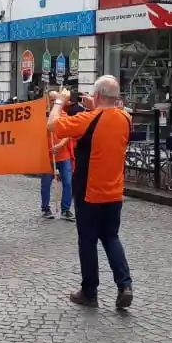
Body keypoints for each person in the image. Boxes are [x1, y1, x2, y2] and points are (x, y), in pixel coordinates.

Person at [48, 76, 133, 309]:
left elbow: (53, 125)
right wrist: (95, 105)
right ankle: (124, 285)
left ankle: (90, 292)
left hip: (89, 190)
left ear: (96, 97)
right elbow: (107, 117)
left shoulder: (87, 119)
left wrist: (60, 101)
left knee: (87, 241)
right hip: (114, 191)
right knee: (111, 237)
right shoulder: (126, 118)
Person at [40, 122, 74, 220]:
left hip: (64, 156)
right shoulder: (42, 117)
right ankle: (45, 208)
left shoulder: (63, 115)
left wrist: (60, 145)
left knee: (68, 183)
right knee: (46, 184)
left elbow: (68, 132)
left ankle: (65, 210)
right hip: (47, 157)